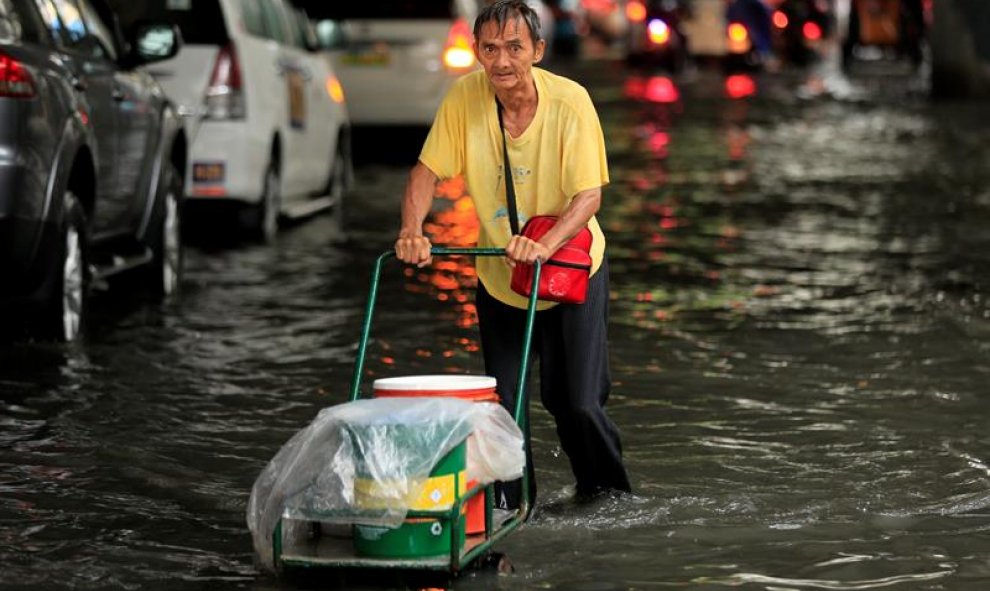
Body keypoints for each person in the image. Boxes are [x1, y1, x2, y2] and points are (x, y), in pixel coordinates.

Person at [394, 0, 631, 514]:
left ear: (538, 51)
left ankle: (609, 498)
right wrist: (412, 230)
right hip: (503, 280)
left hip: (570, 275)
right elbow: (425, 174)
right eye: (490, 49)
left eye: (515, 48)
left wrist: (544, 244)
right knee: (503, 408)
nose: (502, 61)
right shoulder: (464, 99)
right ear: (477, 52)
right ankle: (511, 508)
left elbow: (588, 197)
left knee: (579, 404)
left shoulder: (571, 102)